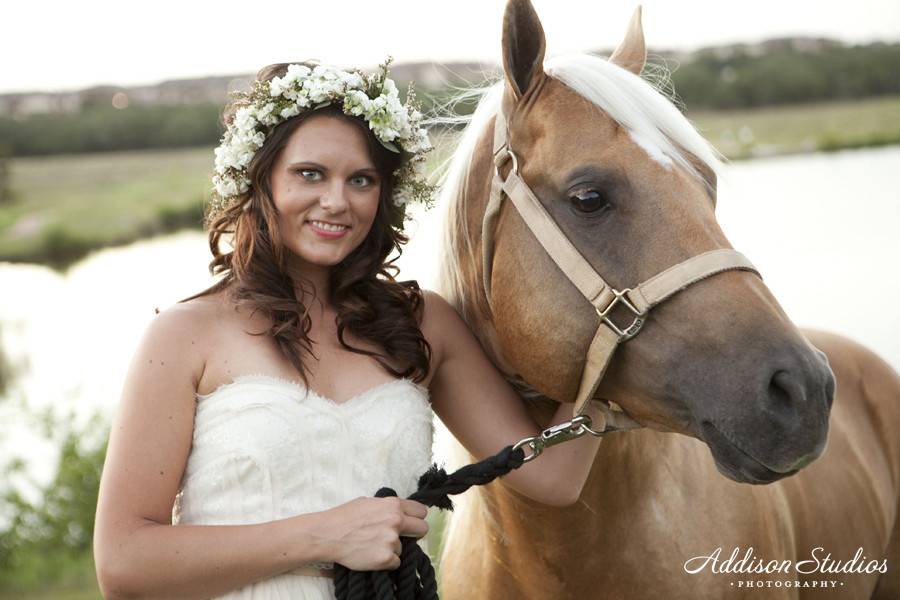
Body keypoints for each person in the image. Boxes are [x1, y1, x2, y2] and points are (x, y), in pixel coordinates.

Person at [92, 60, 606, 600]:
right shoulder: (183, 336)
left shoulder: (423, 323)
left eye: (360, 180)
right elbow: (124, 563)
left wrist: (612, 340)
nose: (337, 201)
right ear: (261, 178)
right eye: (310, 174)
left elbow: (553, 478)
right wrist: (326, 536)